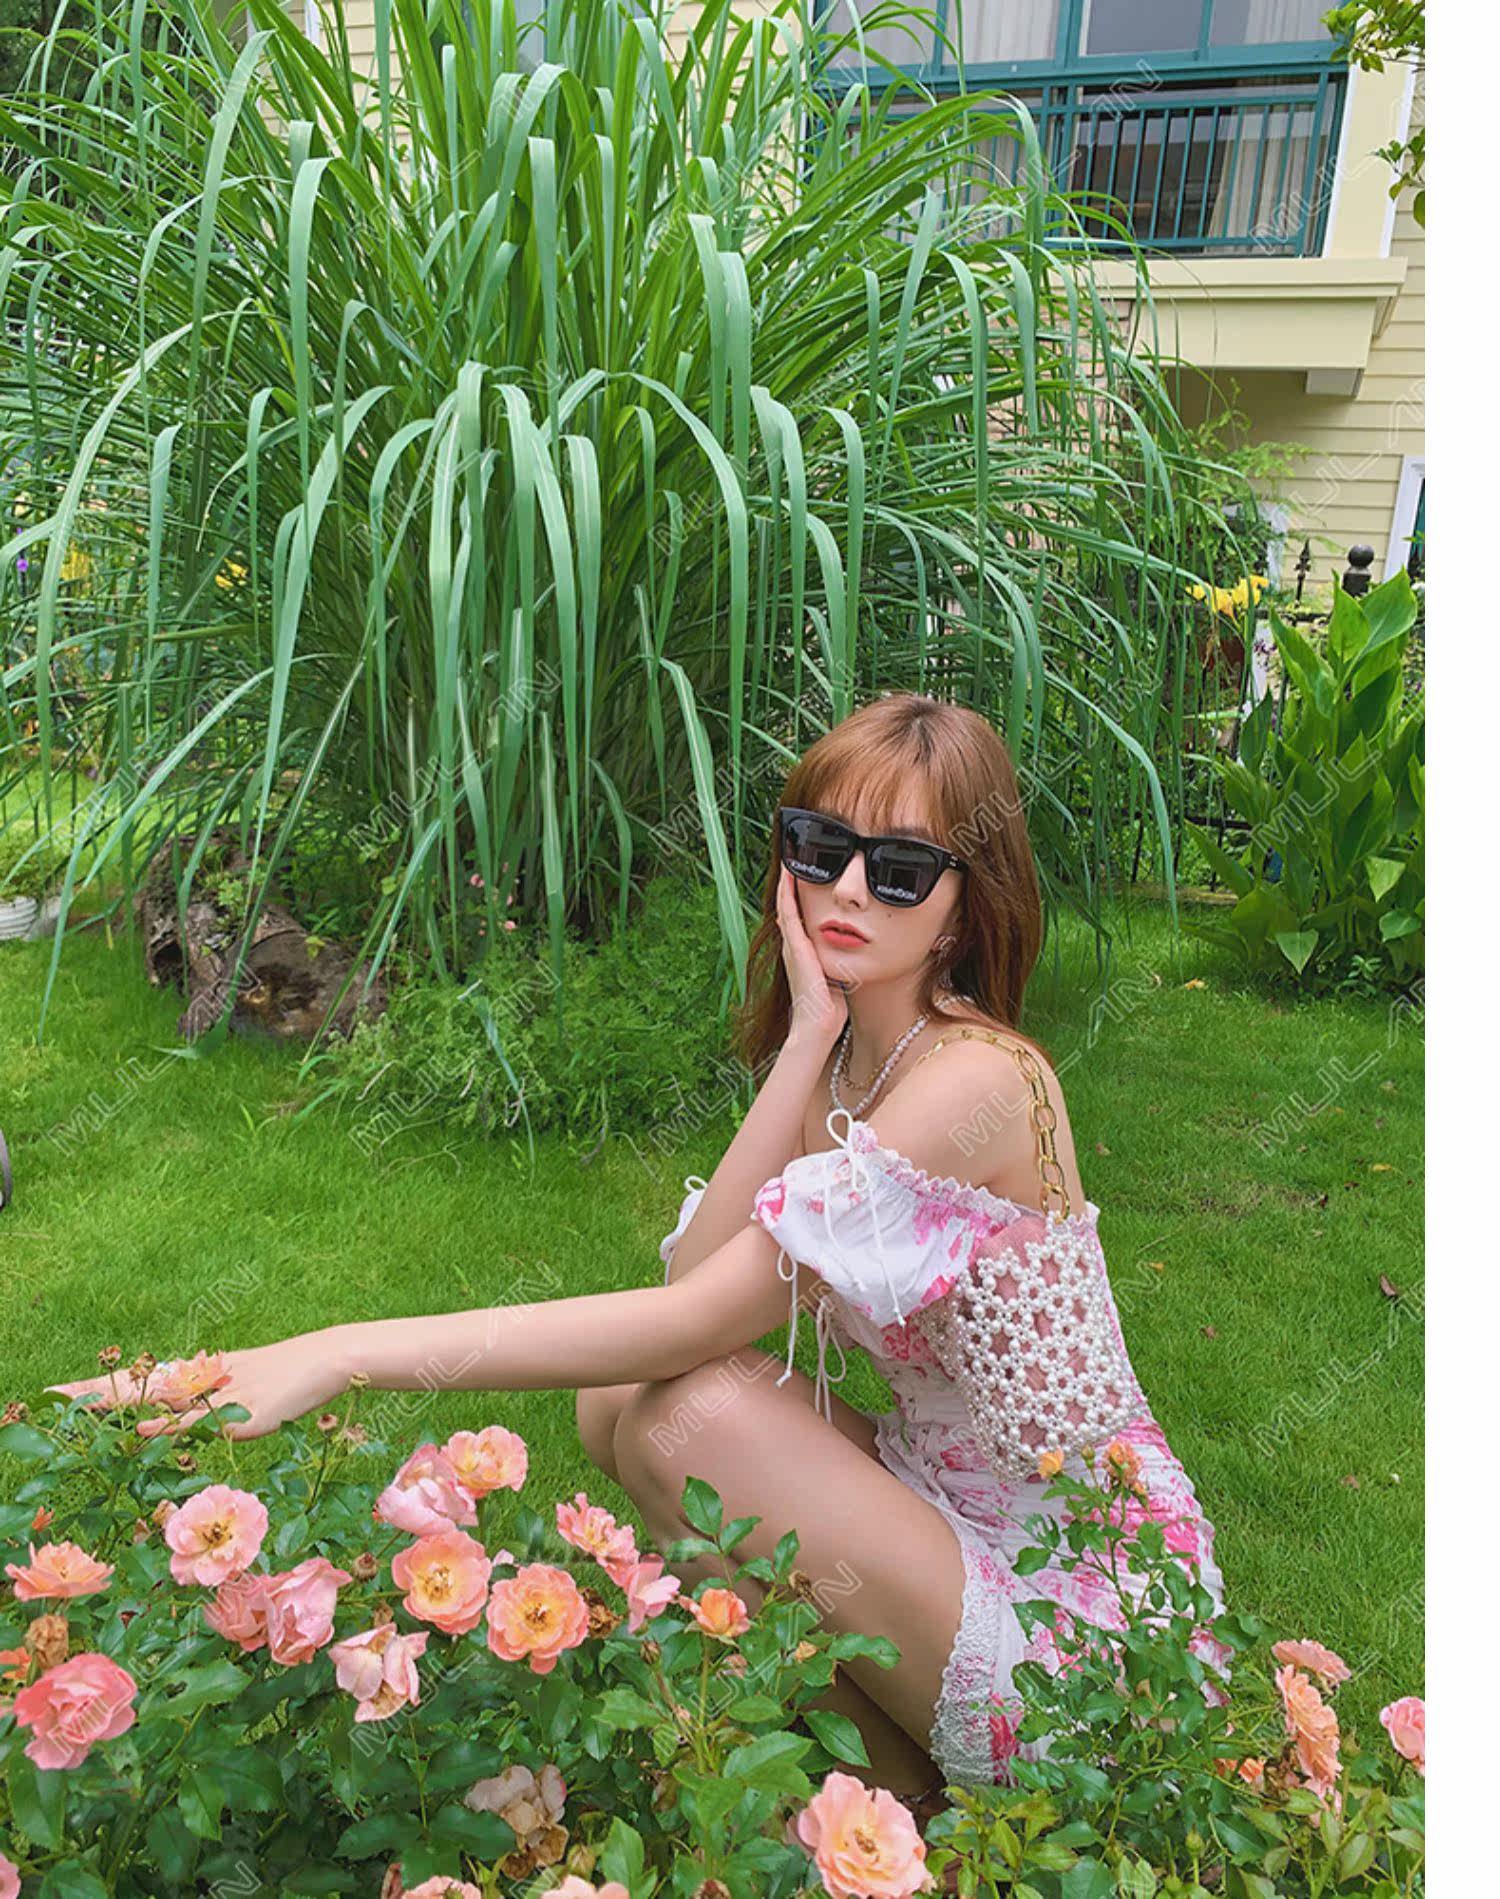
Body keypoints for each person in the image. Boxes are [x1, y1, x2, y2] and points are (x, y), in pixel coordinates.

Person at [49, 692, 1229, 1807]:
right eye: (820, 846)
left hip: (1090, 1621)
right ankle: (900, 1810)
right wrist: (806, 1039)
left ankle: (926, 1806)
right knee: (624, 1402)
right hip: (945, 1516)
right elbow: (688, 1285)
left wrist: (337, 1352)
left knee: (683, 1419)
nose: (847, 888)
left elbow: (688, 1323)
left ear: (964, 910)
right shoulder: (854, 1070)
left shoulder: (976, 1080)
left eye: (901, 869)